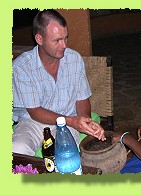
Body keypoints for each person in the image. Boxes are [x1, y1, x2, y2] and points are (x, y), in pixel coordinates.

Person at [12, 9, 106, 156]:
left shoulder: (74, 59)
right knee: (17, 150)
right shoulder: (21, 67)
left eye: (65, 38)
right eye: (57, 40)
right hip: (33, 122)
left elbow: (82, 99)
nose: (64, 45)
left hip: (68, 121)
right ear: (39, 39)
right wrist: (72, 121)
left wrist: (84, 120)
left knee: (64, 155)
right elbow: (35, 112)